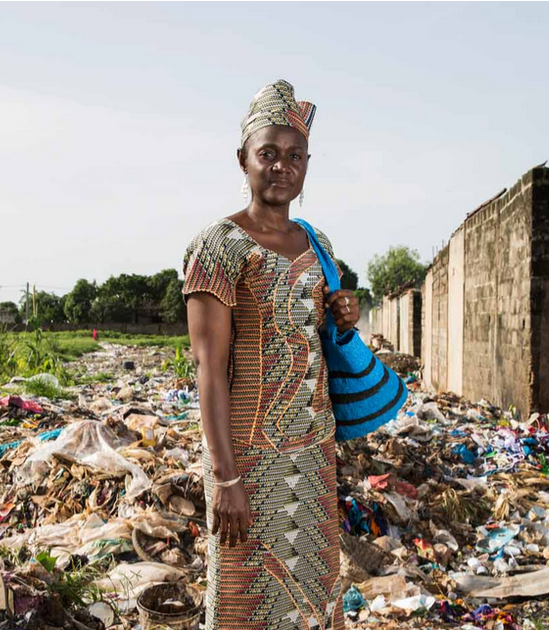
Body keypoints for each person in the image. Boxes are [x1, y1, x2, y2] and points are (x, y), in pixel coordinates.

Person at [182, 79, 359, 630]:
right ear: (243, 160)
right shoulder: (219, 246)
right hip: (248, 459)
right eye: (268, 155)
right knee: (243, 596)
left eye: (294, 156)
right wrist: (226, 478)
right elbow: (208, 371)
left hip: (312, 453)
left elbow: (319, 340)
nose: (281, 166)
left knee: (314, 594)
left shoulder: (318, 244)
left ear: (307, 164)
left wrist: (344, 317)